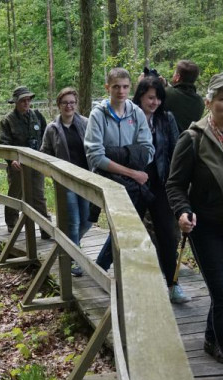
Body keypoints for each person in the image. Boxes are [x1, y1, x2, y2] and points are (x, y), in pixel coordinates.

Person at [166, 72, 223, 363]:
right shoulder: (192, 138)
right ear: (209, 102)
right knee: (221, 290)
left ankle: (212, 338)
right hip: (207, 227)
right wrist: (182, 211)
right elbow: (175, 184)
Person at [85, 67, 154, 271]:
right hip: (109, 180)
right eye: (116, 87)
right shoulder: (98, 115)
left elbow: (148, 151)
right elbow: (96, 156)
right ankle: (105, 265)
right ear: (108, 87)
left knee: (127, 225)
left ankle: (104, 265)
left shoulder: (137, 113)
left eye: (125, 87)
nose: (121, 91)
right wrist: (132, 169)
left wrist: (115, 153)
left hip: (133, 182)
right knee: (123, 224)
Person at [133, 77, 190, 303]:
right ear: (140, 97)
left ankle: (173, 284)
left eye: (158, 98)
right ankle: (131, 282)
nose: (154, 102)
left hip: (161, 184)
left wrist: (179, 181)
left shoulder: (167, 119)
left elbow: (176, 150)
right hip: (135, 184)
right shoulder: (130, 118)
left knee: (167, 235)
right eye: (150, 98)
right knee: (130, 235)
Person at [41, 87, 92, 276]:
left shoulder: (86, 123)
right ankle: (75, 259)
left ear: (76, 104)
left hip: (86, 179)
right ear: (59, 106)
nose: (69, 106)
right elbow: (44, 152)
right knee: (73, 221)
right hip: (65, 181)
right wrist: (52, 171)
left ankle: (69, 244)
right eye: (65, 103)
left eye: (72, 102)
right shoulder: (52, 128)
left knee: (87, 220)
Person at [0, 86, 50, 239]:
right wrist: (11, 159)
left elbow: (46, 136)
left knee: (38, 196)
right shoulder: (7, 120)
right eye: (23, 100)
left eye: (28, 100)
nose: (26, 103)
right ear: (16, 102)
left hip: (36, 162)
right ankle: (12, 224)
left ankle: (45, 228)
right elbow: (4, 143)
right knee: (15, 194)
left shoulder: (37, 116)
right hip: (18, 164)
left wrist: (46, 156)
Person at [164, 60, 205, 133]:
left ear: (177, 77)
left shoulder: (166, 93)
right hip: (188, 142)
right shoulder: (200, 101)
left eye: (174, 73)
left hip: (168, 142)